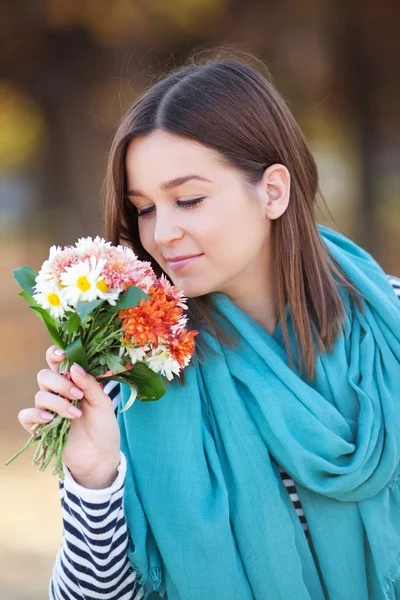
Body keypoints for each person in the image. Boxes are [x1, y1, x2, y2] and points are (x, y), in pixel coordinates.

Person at [17, 51, 400, 600]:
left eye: (188, 199)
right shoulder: (133, 372)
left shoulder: (389, 325)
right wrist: (93, 479)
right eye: (144, 208)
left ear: (273, 191)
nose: (162, 233)